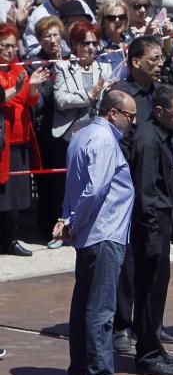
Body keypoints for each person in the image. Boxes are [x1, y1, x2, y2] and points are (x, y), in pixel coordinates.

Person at [54, 89, 137, 375]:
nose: (133, 122)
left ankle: (79, 374)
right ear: (112, 113)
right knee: (101, 310)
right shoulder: (104, 141)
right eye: (130, 116)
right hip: (104, 233)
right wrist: (72, 221)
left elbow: (73, 185)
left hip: (90, 236)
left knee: (83, 308)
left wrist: (66, 219)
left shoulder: (80, 136)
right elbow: (95, 189)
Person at [111, 35, 166, 354]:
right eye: (154, 59)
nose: (161, 64)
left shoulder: (160, 94)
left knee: (156, 260)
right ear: (135, 62)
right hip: (127, 187)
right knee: (128, 261)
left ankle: (152, 324)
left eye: (161, 58)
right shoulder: (121, 96)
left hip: (156, 188)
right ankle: (122, 325)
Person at [128, 84, 173, 375]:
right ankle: (148, 354)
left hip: (163, 218)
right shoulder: (149, 139)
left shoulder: (167, 135)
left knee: (158, 287)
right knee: (150, 288)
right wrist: (152, 233)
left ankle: (155, 344)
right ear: (160, 110)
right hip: (150, 224)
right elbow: (145, 190)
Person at [0, 25, 46, 258]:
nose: (10, 50)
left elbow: (30, 102)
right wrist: (15, 89)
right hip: (2, 142)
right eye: (5, 45)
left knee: (17, 195)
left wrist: (33, 87)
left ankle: (10, 239)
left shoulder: (18, 68)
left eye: (12, 45)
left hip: (21, 139)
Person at [28, 17, 68, 248]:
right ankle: (47, 228)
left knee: (66, 183)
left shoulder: (72, 57)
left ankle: (67, 227)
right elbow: (39, 103)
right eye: (46, 36)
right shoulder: (36, 65)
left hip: (69, 131)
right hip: (46, 133)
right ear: (40, 40)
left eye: (55, 35)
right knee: (48, 185)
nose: (52, 40)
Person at [53, 21, 114, 142]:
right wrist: (89, 95)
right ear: (75, 44)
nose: (91, 47)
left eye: (94, 43)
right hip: (69, 135)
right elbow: (60, 100)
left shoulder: (105, 68)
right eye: (86, 43)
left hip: (98, 134)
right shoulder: (63, 67)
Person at [24, 0, 95, 57]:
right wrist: (51, 48)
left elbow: (94, 31)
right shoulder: (39, 14)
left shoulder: (80, 4)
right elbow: (31, 51)